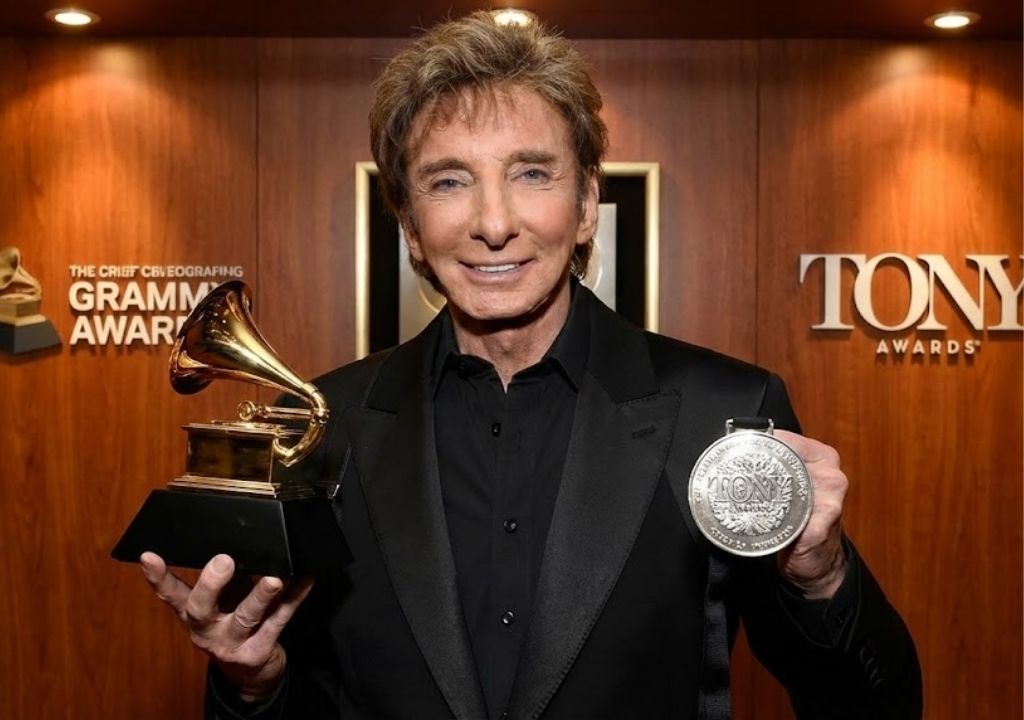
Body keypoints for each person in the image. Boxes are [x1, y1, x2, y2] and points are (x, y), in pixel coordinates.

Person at [140, 11, 921, 719]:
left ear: (585, 205)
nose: (493, 222)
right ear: (410, 227)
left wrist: (822, 576)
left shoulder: (724, 411)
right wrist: (253, 684)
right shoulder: (325, 427)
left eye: (531, 173)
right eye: (450, 181)